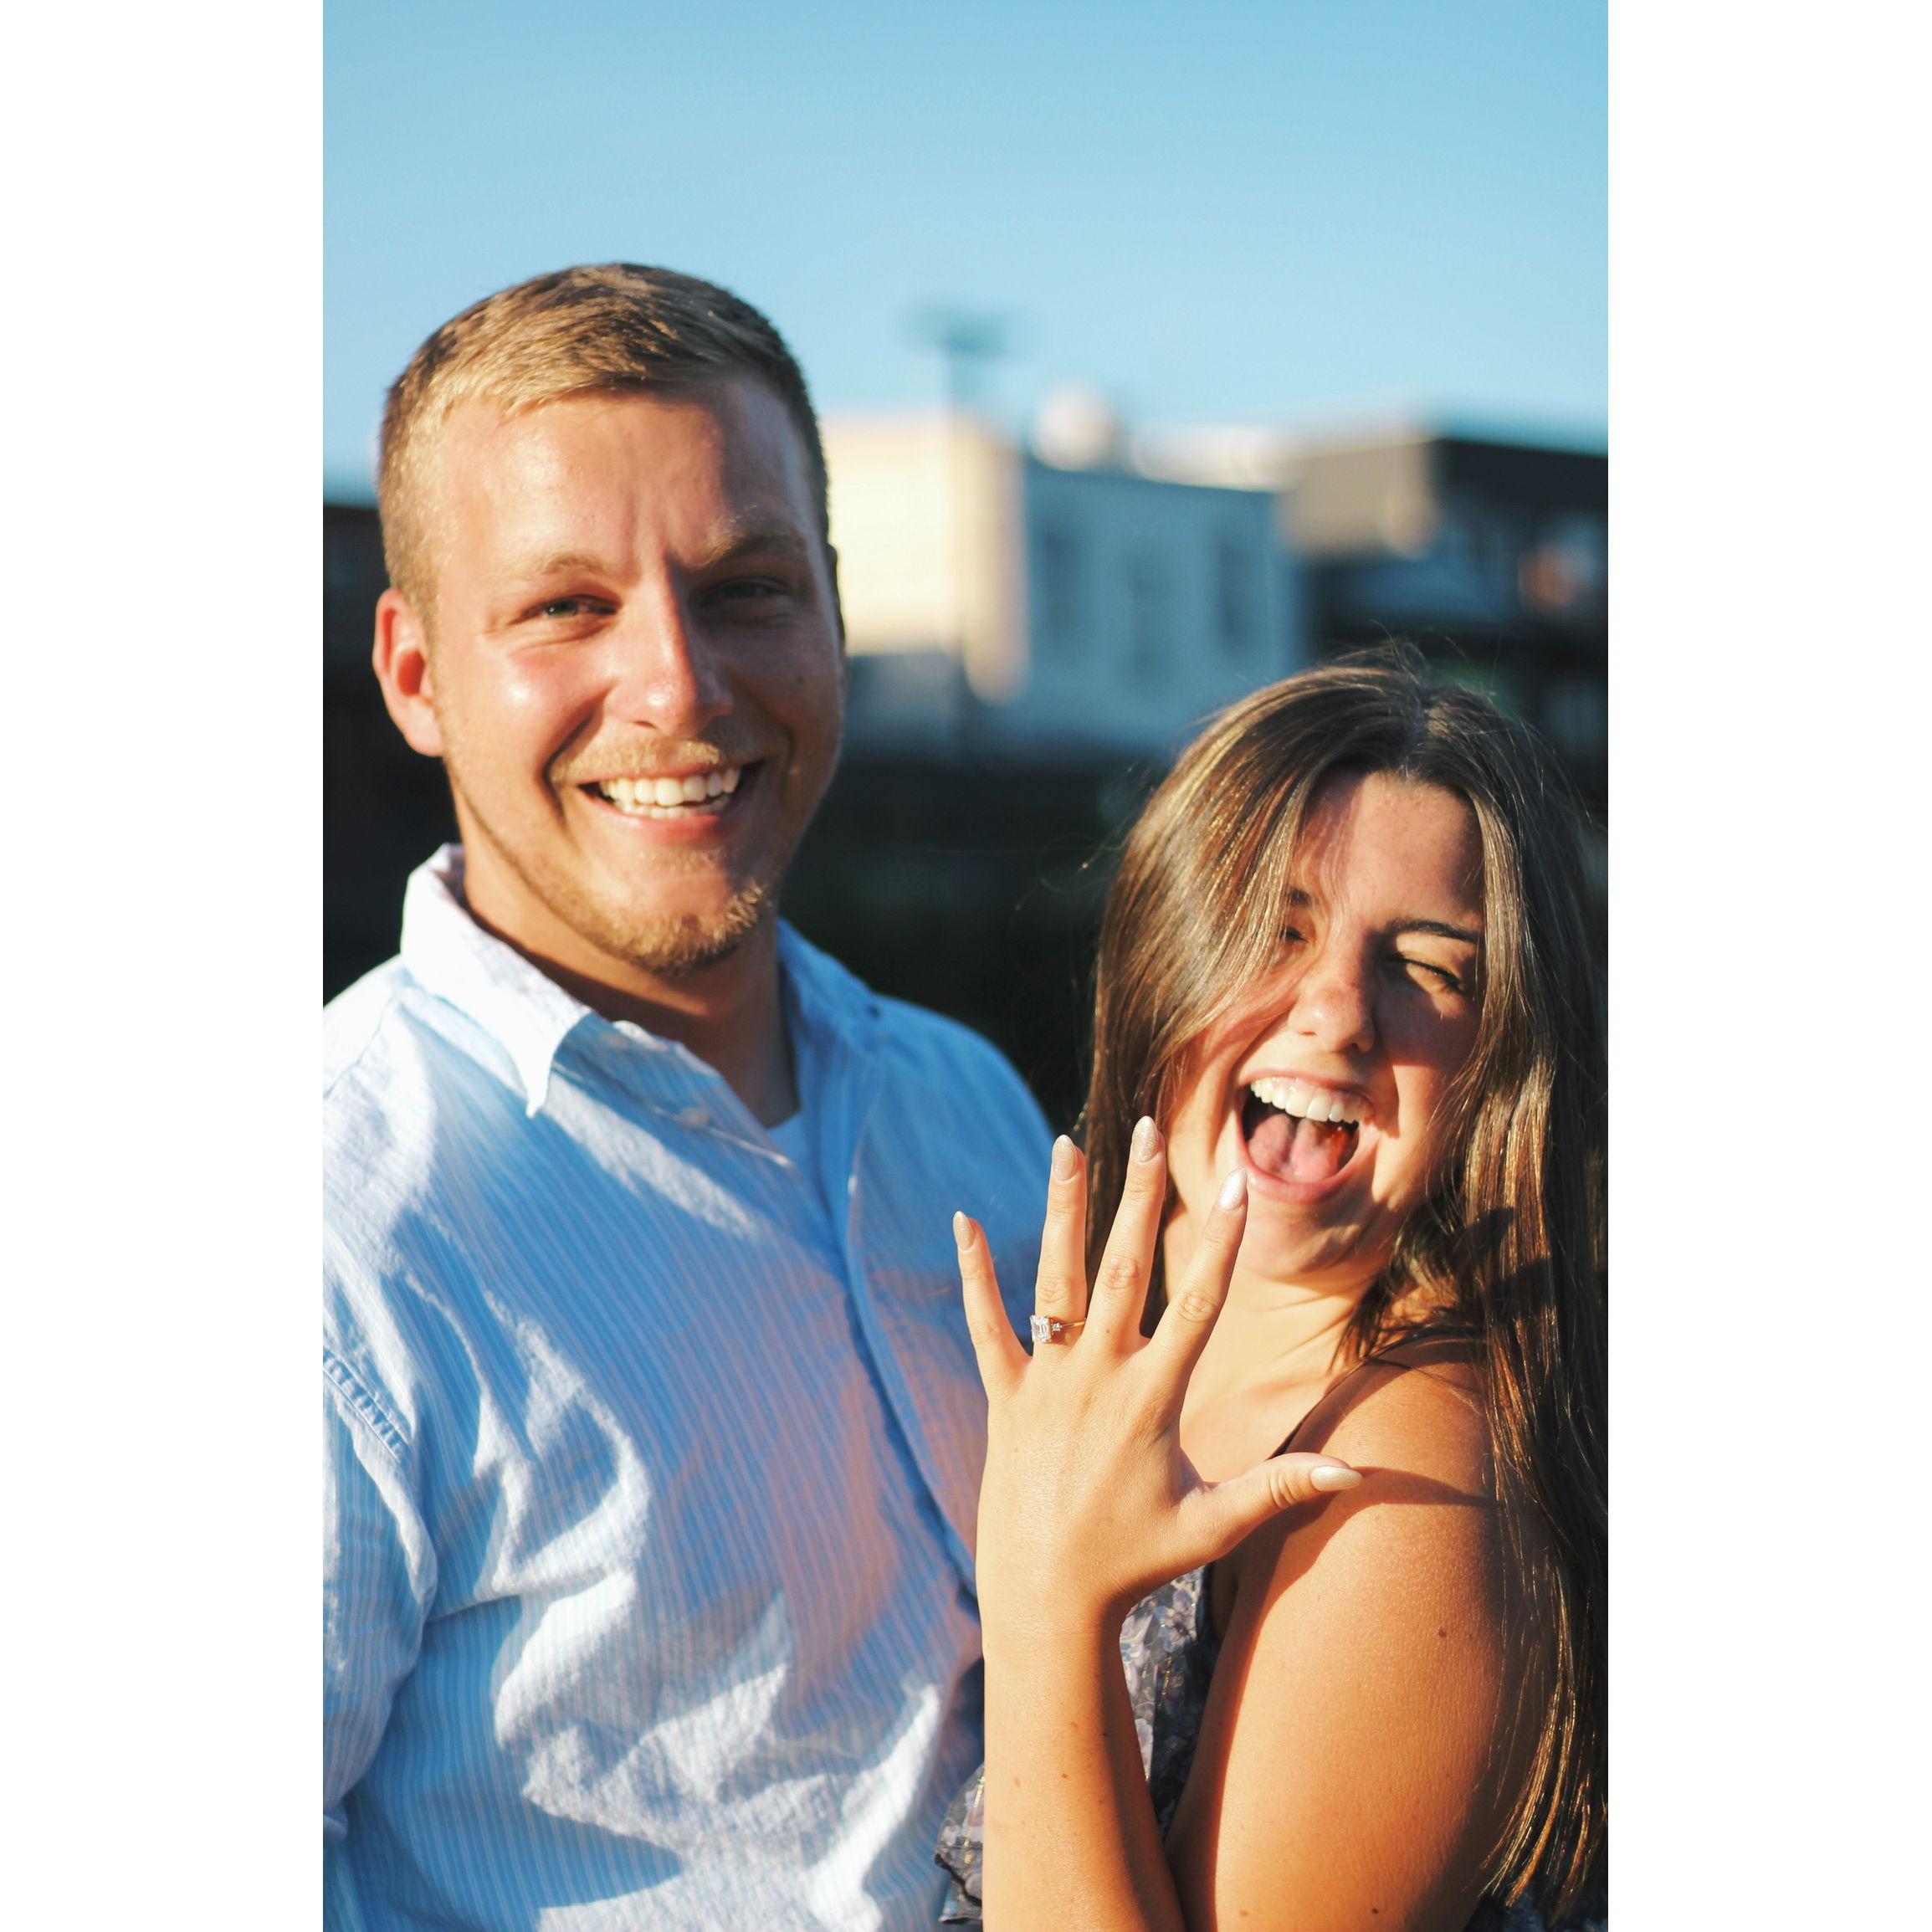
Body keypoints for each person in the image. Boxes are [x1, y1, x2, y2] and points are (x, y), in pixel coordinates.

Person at [324, 264, 1053, 1931]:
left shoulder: (973, 1110)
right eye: (567, 608)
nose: (679, 685)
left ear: (837, 617)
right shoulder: (327, 1234)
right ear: (419, 672)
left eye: (743, 589)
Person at [938, 652, 1607, 1929]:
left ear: (1495, 1062)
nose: (1338, 1012)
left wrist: (1043, 1591)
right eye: (1276, 928)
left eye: (1429, 968)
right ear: (1165, 954)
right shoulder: (1107, 1348)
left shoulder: (1409, 1476)